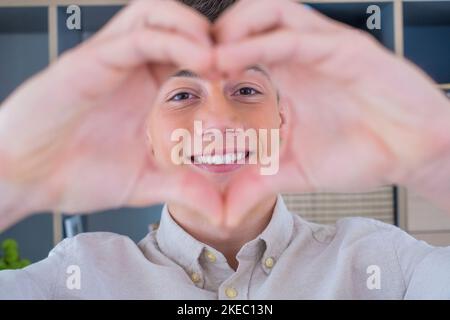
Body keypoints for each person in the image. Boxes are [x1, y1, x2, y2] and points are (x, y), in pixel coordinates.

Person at [0, 0, 449, 299]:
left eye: (247, 90)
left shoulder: (382, 266)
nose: (218, 121)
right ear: (146, 134)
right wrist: (10, 171)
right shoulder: (74, 279)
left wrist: (436, 153)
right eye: (181, 95)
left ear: (283, 118)